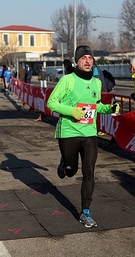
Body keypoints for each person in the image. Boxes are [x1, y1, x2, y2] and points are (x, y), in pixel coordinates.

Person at [47, 45, 120, 228]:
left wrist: (109, 108)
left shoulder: (96, 82)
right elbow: (51, 103)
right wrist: (72, 111)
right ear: (77, 61)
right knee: (71, 172)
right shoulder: (67, 80)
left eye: (90, 58)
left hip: (89, 134)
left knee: (89, 171)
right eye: (83, 58)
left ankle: (85, 211)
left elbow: (95, 107)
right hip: (69, 133)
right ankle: (65, 163)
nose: (88, 61)